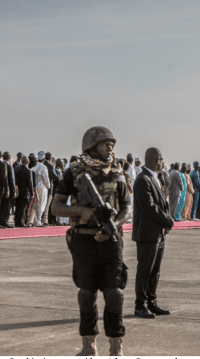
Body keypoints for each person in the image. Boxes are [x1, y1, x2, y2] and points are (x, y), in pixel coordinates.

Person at [49, 126, 131, 355]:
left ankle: (116, 345)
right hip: (83, 240)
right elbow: (55, 207)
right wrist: (79, 212)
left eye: (112, 144)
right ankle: (89, 344)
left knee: (115, 294)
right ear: (91, 146)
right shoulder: (74, 172)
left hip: (111, 240)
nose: (110, 148)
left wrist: (112, 227)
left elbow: (127, 209)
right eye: (106, 144)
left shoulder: (117, 171)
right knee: (86, 294)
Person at [132, 147, 174, 320]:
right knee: (145, 270)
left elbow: (161, 203)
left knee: (155, 271)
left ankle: (152, 303)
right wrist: (168, 220)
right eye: (161, 159)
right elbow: (149, 207)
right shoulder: (143, 179)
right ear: (156, 160)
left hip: (158, 233)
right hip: (147, 233)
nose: (162, 162)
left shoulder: (154, 178)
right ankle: (140, 305)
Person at [14, 156, 36, 227]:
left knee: (18, 207)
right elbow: (30, 183)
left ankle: (16, 221)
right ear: (28, 162)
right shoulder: (28, 171)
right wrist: (32, 193)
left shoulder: (17, 169)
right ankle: (20, 222)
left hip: (18, 192)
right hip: (25, 192)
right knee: (22, 208)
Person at [0, 151, 16, 228]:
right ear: (9, 158)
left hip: (2, 190)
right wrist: (13, 191)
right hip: (4, 189)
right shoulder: (8, 166)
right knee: (6, 207)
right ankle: (4, 221)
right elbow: (10, 180)